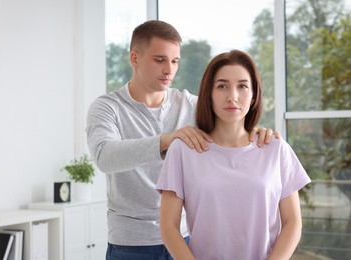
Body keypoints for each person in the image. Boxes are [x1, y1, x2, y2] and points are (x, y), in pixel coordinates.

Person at [86, 20, 277, 260]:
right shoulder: (107, 108)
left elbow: (231, 122)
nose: (169, 69)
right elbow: (105, 157)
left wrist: (255, 131)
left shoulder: (192, 106)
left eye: (175, 61)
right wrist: (166, 140)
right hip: (130, 245)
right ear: (134, 58)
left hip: (184, 240)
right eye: (160, 60)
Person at [157, 50, 311, 260]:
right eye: (222, 86)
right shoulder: (182, 150)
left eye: (242, 86)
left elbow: (293, 223)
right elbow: (168, 227)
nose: (233, 96)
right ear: (208, 94)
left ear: (254, 94)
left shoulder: (275, 148)